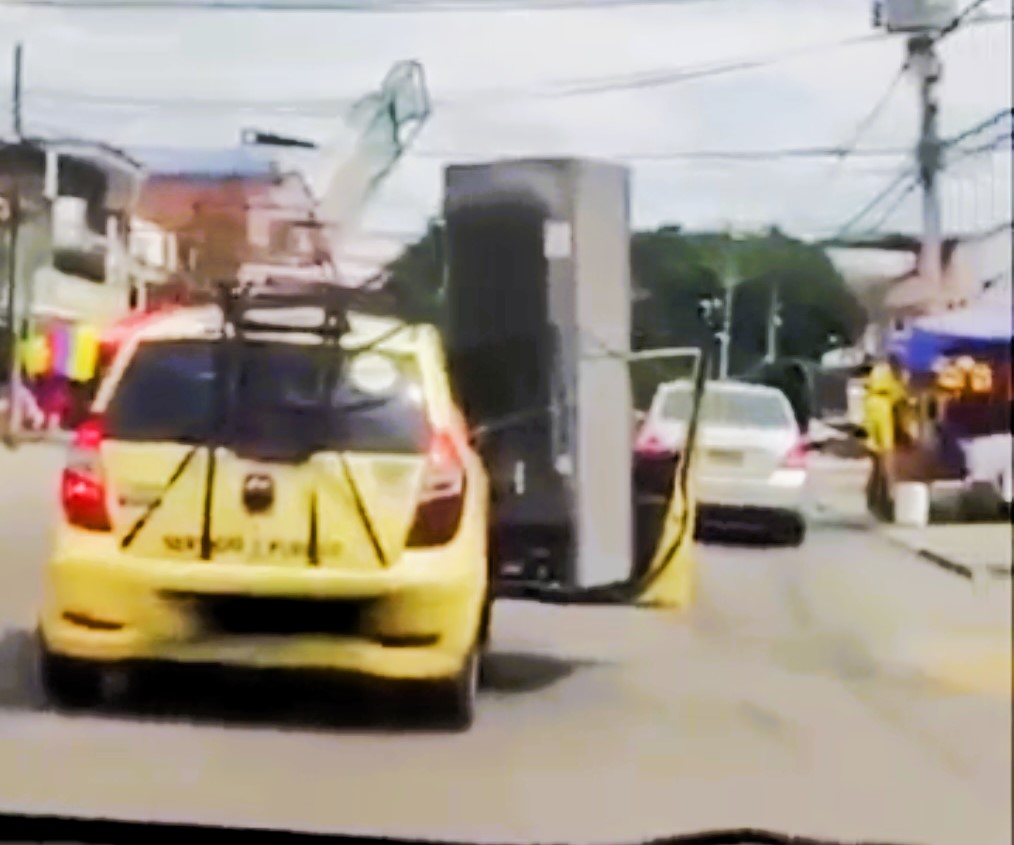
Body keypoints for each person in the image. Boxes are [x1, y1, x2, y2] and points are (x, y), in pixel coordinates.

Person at [863, 353, 908, 519]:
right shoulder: (891, 376)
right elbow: (902, 397)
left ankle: (874, 495)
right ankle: (886, 495)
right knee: (885, 455)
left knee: (877, 457)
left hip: (872, 407)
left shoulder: (879, 371)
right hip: (881, 410)